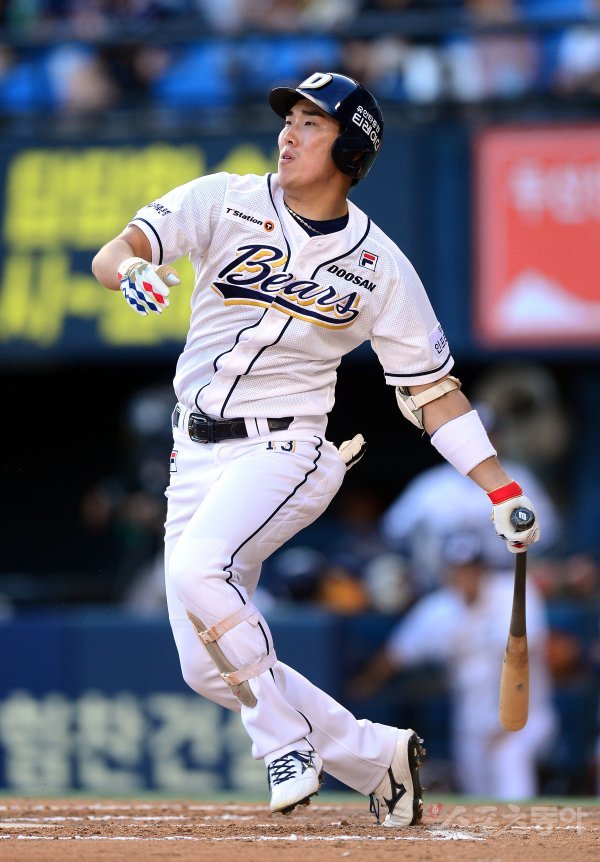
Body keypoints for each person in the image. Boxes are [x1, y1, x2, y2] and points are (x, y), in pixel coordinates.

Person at [91, 71, 540, 826]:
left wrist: (500, 487)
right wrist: (131, 268)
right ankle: (373, 755)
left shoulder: (379, 264)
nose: (289, 133)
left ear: (350, 149)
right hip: (192, 454)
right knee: (206, 667)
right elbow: (117, 252)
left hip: (287, 449)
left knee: (200, 569)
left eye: (311, 123)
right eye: (290, 118)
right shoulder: (224, 199)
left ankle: (283, 745)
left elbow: (432, 391)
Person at [348, 531, 557, 800]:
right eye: (459, 569)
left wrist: (507, 725)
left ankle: (529, 826)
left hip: (526, 718)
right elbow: (395, 655)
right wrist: (360, 690)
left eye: (472, 568)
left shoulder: (513, 593)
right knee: (478, 798)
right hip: (470, 724)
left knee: (509, 759)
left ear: (484, 569)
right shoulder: (438, 610)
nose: (466, 576)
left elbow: (524, 656)